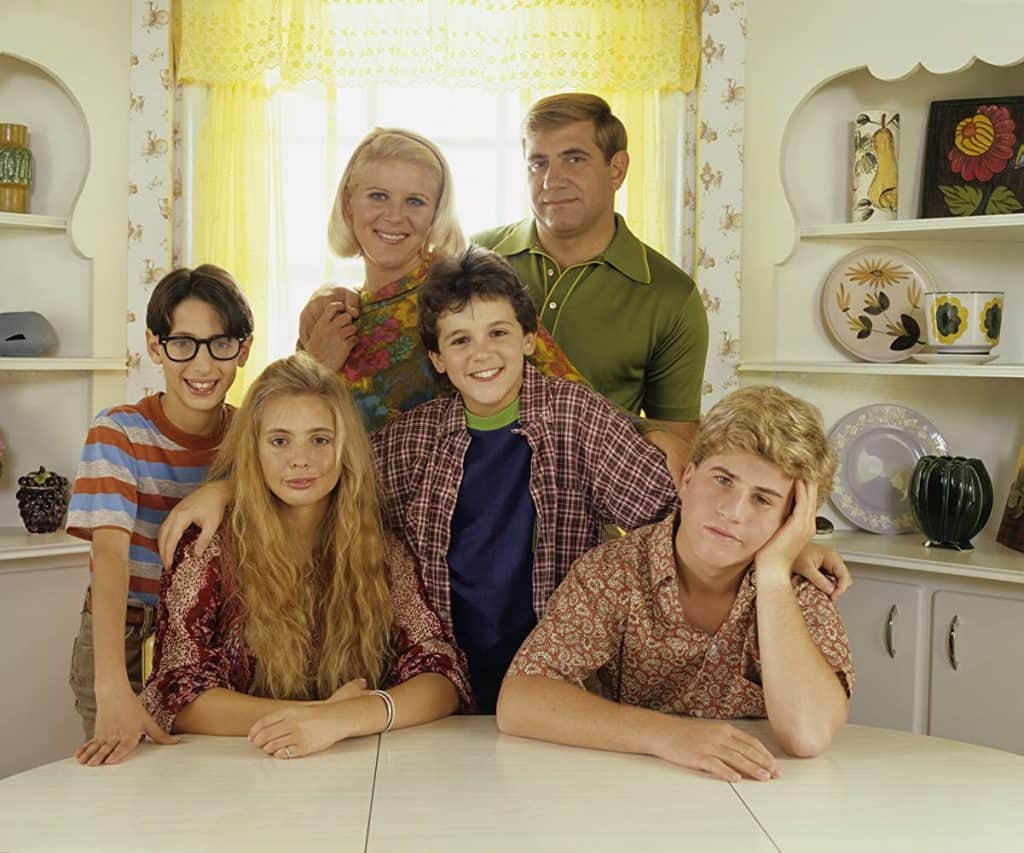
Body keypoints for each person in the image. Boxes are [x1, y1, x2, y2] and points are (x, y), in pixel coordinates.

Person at [371, 248, 846, 714]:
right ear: (437, 357)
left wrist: (787, 545)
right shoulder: (411, 439)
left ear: (529, 339)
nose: (482, 353)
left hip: (558, 675)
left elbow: (682, 510)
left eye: (498, 332)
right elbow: (349, 513)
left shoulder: (578, 417)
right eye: (460, 340)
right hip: (443, 683)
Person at [495, 386, 855, 782]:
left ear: (792, 520)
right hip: (632, 783)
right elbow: (519, 701)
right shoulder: (616, 571)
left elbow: (808, 735)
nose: (732, 511)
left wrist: (773, 574)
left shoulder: (799, 587)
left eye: (763, 500)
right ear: (687, 478)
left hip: (761, 794)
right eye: (723, 479)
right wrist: (668, 736)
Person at [140, 354, 470, 757]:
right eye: (280, 441)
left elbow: (441, 672)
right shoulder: (208, 547)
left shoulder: (380, 549)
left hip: (354, 767)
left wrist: (348, 718)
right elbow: (177, 691)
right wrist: (317, 716)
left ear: (344, 448)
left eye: (320, 440)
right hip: (235, 770)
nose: (300, 459)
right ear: (253, 450)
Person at [66, 264, 254, 765]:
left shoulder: (250, 439)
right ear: (155, 346)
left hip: (210, 639)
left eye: (220, 343)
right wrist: (112, 684)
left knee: (202, 776)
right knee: (122, 774)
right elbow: (110, 556)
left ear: (244, 349)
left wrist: (225, 486)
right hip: (123, 634)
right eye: (183, 343)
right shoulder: (118, 433)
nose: (203, 364)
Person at [300, 126, 583, 431]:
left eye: (415, 201)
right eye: (378, 196)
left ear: (436, 214)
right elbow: (282, 432)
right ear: (348, 205)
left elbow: (576, 402)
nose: (394, 215)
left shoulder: (469, 289)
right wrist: (315, 366)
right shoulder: (330, 315)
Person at [474, 93, 709, 459]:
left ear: (617, 169)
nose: (551, 181)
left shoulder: (671, 295)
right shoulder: (472, 259)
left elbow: (676, 447)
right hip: (463, 487)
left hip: (590, 493)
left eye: (574, 159)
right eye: (538, 163)